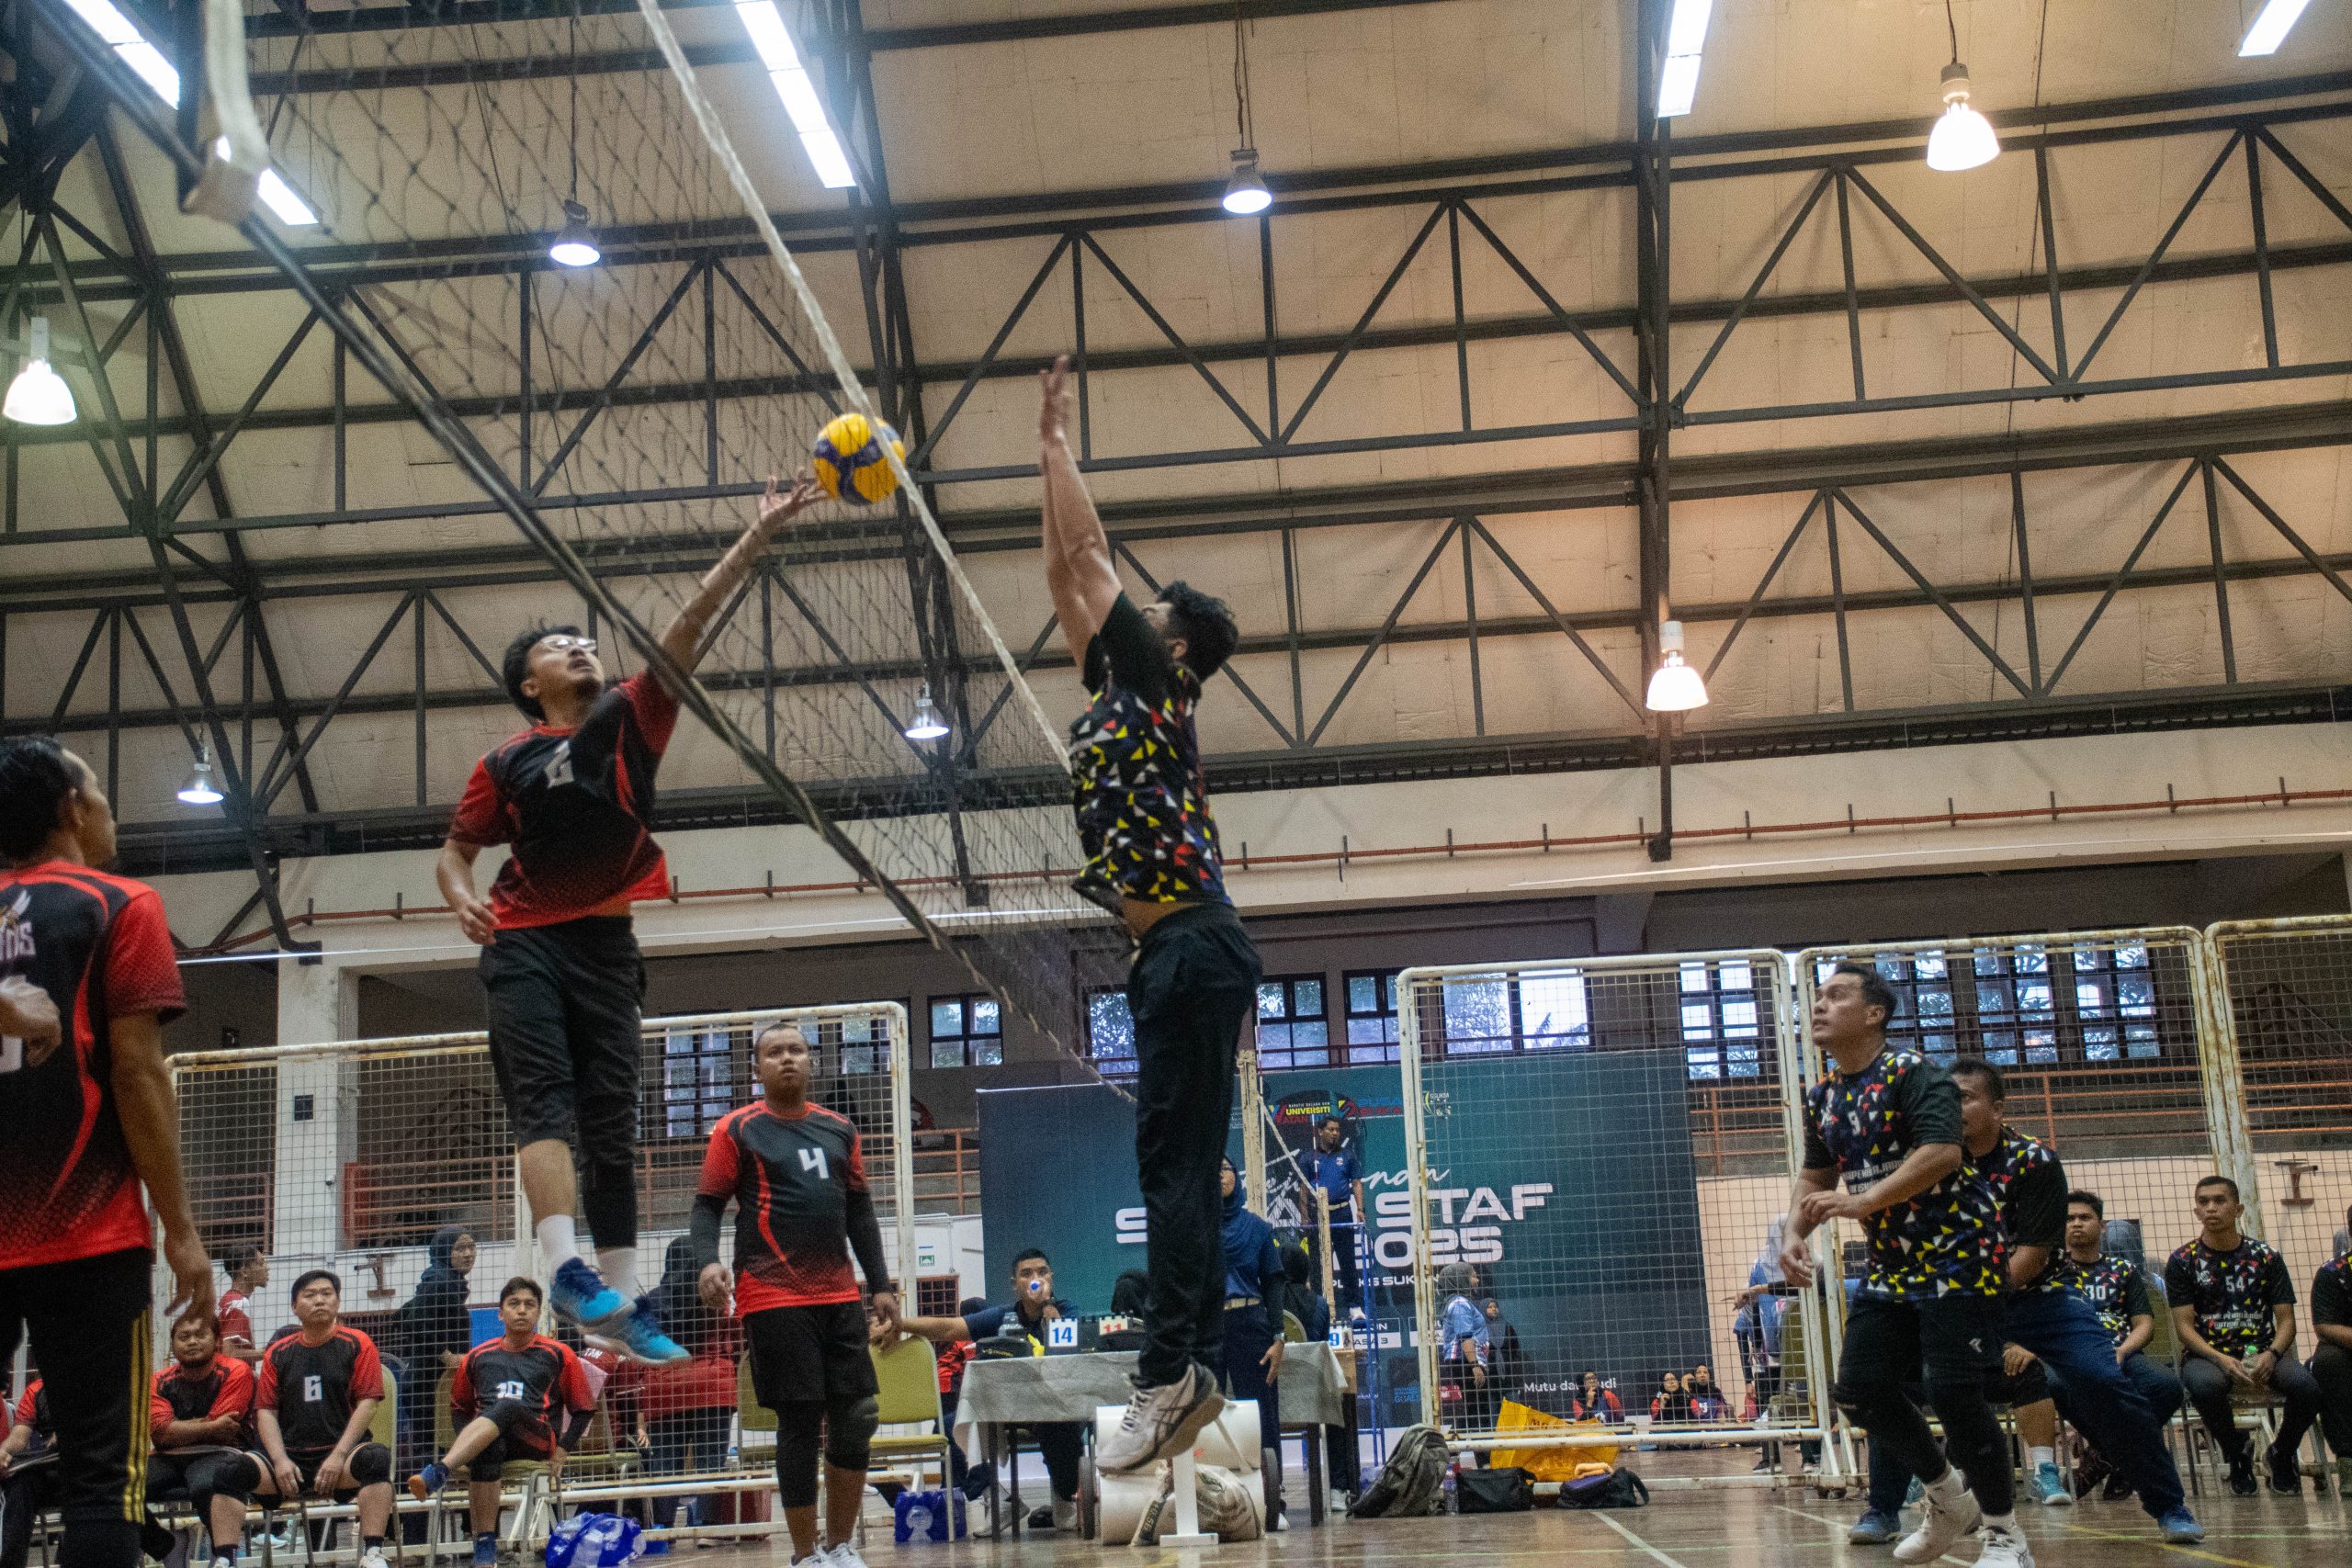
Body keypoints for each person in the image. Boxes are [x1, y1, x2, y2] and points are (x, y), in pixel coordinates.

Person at [437, 475, 823, 1364]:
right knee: (546, 1104)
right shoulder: (504, 761)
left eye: (585, 641)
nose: (580, 648)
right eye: (558, 646)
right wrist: (459, 894)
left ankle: (616, 1299)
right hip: (525, 940)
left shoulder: (631, 716)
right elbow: (455, 852)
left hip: (609, 947)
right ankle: (565, 1267)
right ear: (528, 684)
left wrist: (758, 535)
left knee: (614, 1127)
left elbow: (687, 626)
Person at [1035, 354, 1259, 1472]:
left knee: (1174, 1177)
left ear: (1170, 645)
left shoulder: (1165, 686)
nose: (1121, 612)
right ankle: (1188, 1369)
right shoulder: (1121, 690)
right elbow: (1063, 573)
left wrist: (1057, 442)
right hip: (1180, 951)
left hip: (1190, 944)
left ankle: (1171, 1372)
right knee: (1175, 1172)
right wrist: (1044, 458)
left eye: (1145, 612)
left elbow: (1087, 558)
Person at [0, 736, 210, 1568]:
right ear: (70, 807)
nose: (110, 809)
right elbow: (137, 1073)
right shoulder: (120, 904)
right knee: (101, 1478)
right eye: (100, 791)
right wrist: (182, 1230)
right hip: (88, 1232)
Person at [1781, 964, 2021, 1568]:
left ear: (1874, 1013)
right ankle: (1950, 1500)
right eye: (1816, 997)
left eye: (1836, 995)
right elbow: (1816, 1175)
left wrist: (1862, 1202)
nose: (1819, 1005)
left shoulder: (1915, 1074)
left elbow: (1942, 1153)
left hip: (1961, 1255)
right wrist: (1792, 1233)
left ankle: (2006, 1537)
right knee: (1859, 1389)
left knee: (1954, 1392)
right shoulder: (1823, 1096)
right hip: (1894, 1264)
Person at [693, 1023, 898, 1568]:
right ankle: (806, 1555)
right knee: (801, 1421)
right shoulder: (737, 1129)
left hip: (838, 1295)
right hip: (772, 1296)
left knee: (859, 1414)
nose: (787, 1059)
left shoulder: (840, 1130)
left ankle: (841, 1546)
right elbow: (707, 1206)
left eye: (796, 1050)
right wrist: (708, 1261)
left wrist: (880, 1284)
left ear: (812, 1061)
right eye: (774, 1052)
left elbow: (860, 1211)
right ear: (756, 1068)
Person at [410, 1278, 596, 1568]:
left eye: (529, 1305)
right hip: (492, 1440)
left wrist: (563, 1450)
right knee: (488, 1448)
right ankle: (485, 1546)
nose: (522, 1310)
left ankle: (440, 1471)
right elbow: (459, 1408)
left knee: (507, 1406)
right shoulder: (478, 1356)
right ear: (500, 1313)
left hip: (536, 1439)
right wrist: (469, 1445)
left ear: (538, 1313)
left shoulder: (559, 1353)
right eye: (514, 1304)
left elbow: (584, 1409)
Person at [892, 1249, 1080, 1534]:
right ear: (1015, 1284)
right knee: (947, 1425)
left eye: (1042, 1272)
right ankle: (999, 1499)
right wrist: (900, 1325)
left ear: (1051, 1277)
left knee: (1059, 1423)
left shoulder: (1067, 1311)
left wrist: (1048, 1308)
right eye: (1027, 1274)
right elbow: (949, 1328)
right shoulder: (1003, 1317)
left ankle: (1065, 1499)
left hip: (1054, 1406)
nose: (1036, 1279)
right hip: (1008, 1407)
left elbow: (1065, 1353)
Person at [2165, 1175, 2321, 1495]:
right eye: (2204, 1202)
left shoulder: (2266, 1257)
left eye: (2219, 1200)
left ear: (2238, 1209)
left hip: (2263, 1351)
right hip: (2208, 1355)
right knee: (2205, 1387)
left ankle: (2281, 1453)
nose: (2211, 1208)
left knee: (2307, 1388)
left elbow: (2286, 1321)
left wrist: (2272, 1354)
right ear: (2196, 1211)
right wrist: (2220, 1358)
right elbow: (2184, 1328)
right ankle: (2237, 1454)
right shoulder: (2182, 1261)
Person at [248, 1271, 395, 1568]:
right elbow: (266, 1412)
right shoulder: (278, 1353)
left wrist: (338, 1456)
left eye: (327, 1294)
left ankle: (372, 1553)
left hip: (342, 1461)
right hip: (290, 1467)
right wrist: (279, 1460)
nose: (319, 1300)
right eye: (310, 1295)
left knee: (377, 1459)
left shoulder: (358, 1343)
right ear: (294, 1307)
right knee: (232, 1469)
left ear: (337, 1302)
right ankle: (224, 1559)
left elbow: (368, 1404)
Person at [2050, 1190, 2184, 1502]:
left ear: (2102, 1226)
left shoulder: (2123, 1271)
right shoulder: (2050, 1272)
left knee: (2167, 1386)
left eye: (2085, 1218)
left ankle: (2105, 1457)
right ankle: (2119, 1455)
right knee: (2055, 1383)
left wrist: (2123, 1351)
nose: (2076, 1224)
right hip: (2070, 1356)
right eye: (2069, 1219)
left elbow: (2144, 1324)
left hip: (2121, 1353)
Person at [632, 1238, 741, 1536]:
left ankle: (663, 1528)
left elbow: (641, 1348)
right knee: (710, 1463)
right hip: (711, 1387)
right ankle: (707, 1528)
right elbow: (736, 1337)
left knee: (665, 1465)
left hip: (664, 1389)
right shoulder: (719, 1299)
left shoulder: (650, 1302)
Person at [147, 1314, 256, 1568]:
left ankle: (223, 1557)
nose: (192, 1342)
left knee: (209, 1484)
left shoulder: (236, 1370)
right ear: (173, 1345)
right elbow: (160, 1432)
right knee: (118, 1486)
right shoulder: (158, 1380)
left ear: (217, 1340)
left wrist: (176, 1428)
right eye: (184, 1337)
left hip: (222, 1451)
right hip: (167, 1457)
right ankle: (164, 1545)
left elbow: (224, 1431)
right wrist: (210, 1425)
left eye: (200, 1335)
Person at [395, 1229, 477, 1487]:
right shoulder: (438, 1281)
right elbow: (413, 1321)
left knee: (441, 1448)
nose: (468, 1254)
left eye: (471, 1247)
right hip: (425, 1384)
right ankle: (422, 1503)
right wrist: (446, 1355)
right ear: (444, 1251)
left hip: (435, 1382)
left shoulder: (449, 1281)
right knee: (428, 1450)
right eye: (460, 1248)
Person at [1301, 1119, 1365, 1315]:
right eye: (1331, 1129)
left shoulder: (1348, 1155)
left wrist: (1360, 1209)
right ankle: (1319, 1307)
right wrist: (1305, 1216)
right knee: (1317, 1264)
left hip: (1342, 1212)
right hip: (1318, 1214)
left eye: (1337, 1130)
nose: (1335, 1133)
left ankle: (1354, 1307)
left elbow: (1356, 1184)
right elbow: (1303, 1188)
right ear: (1320, 1132)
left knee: (1348, 1262)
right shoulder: (1308, 1158)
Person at [2310, 1227, 2352, 1495]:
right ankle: (2348, 1461)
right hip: (2346, 1349)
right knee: (2328, 1362)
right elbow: (2324, 1326)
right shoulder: (2332, 1272)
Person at [1435, 1264, 1493, 1438]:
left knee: (1475, 1408)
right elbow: (1464, 1336)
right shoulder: (1460, 1303)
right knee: (1477, 1409)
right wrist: (1474, 1365)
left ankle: (1459, 1445)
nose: (1477, 1280)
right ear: (1460, 1280)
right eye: (1473, 1276)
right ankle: (1449, 1444)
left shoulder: (1460, 1302)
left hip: (1465, 1361)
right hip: (1465, 1361)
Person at [217, 1247, 269, 1366]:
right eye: (261, 1263)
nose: (267, 1268)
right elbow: (229, 1353)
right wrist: (269, 1351)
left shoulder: (227, 1300)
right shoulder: (239, 1302)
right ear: (245, 1272)